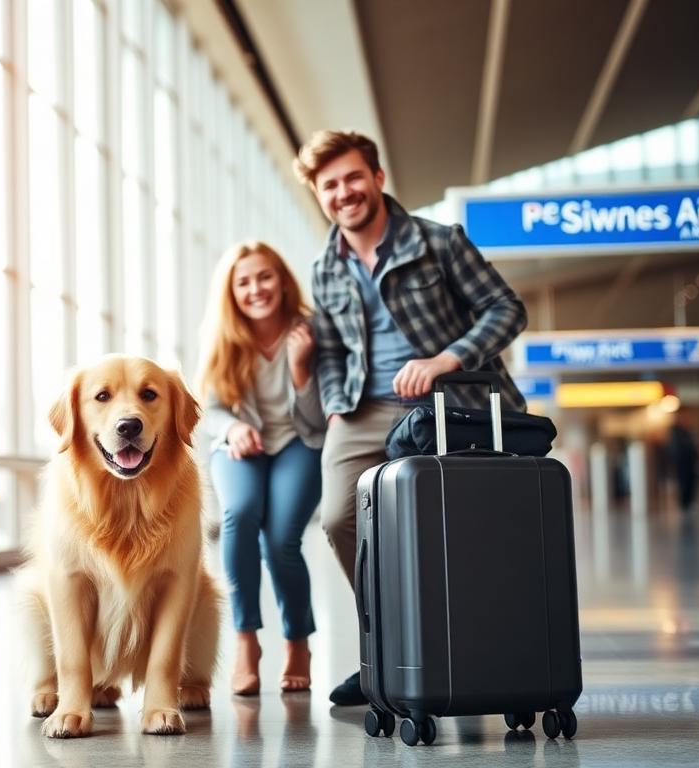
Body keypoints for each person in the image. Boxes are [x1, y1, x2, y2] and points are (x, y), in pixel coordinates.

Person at [292, 130, 528, 706]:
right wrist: (327, 397)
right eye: (330, 185)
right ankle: (385, 650)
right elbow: (331, 352)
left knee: (460, 530)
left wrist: (447, 359)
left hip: (449, 405)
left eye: (353, 177)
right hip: (362, 409)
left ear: (377, 177)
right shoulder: (325, 268)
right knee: (341, 517)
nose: (344, 192)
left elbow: (507, 309)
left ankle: (472, 646)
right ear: (320, 195)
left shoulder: (440, 242)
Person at [197, 240, 326, 696]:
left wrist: (300, 369)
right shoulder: (224, 338)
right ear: (231, 291)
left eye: (264, 277)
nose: (256, 289)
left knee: (280, 541)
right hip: (240, 447)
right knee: (239, 513)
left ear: (283, 280)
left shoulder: (311, 333)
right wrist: (231, 428)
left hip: (299, 442)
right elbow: (209, 409)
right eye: (244, 281)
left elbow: (316, 418)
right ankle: (246, 640)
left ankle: (297, 642)